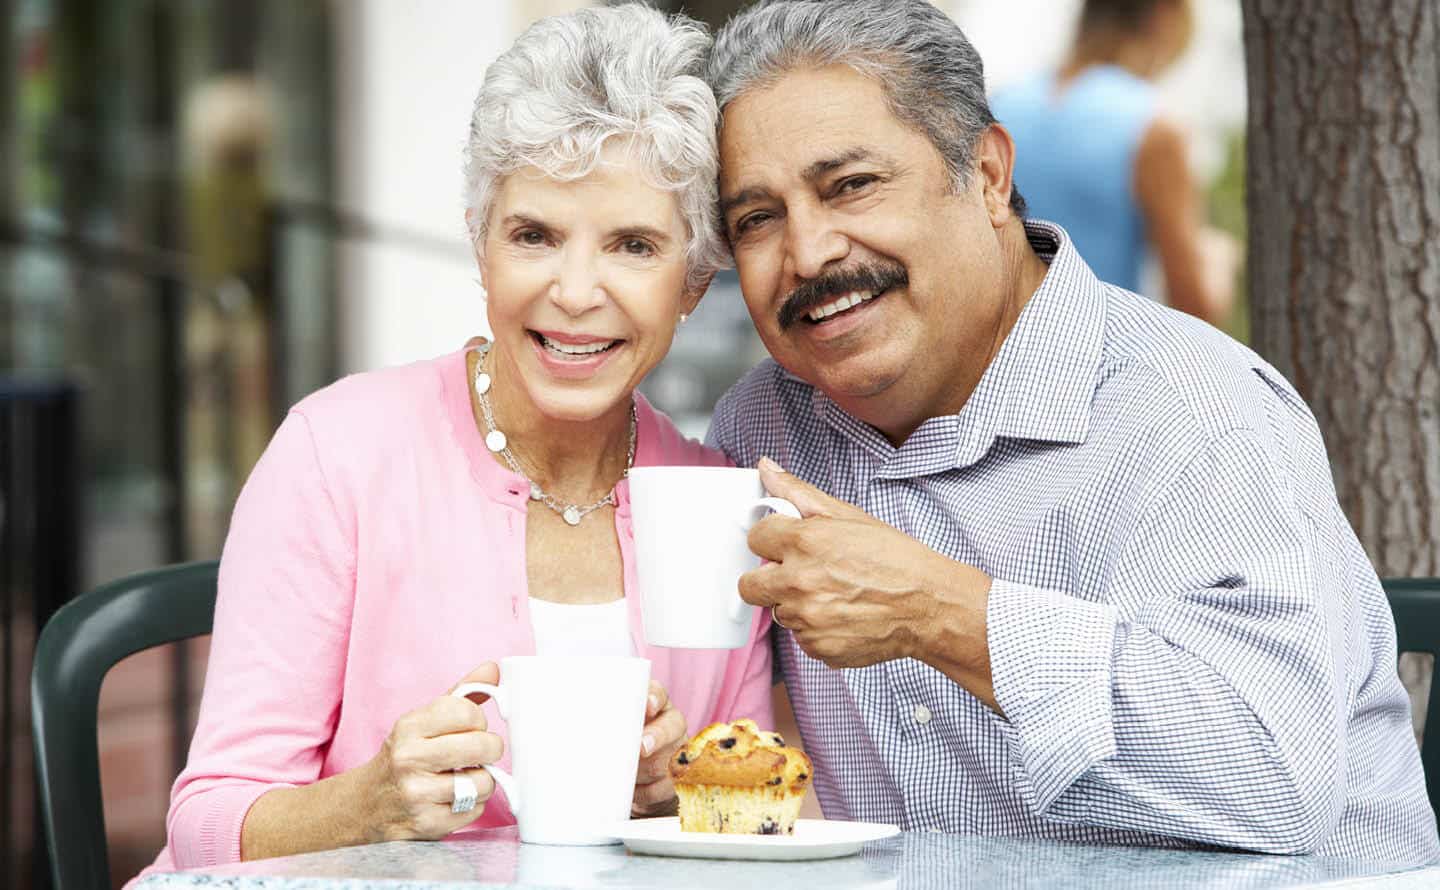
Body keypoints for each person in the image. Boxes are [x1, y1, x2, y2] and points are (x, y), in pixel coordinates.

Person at [702, 0, 1438, 861]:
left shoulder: (1194, 414)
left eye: (851, 186)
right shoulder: (761, 427)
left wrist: (945, 615)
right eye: (757, 218)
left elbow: (1275, 784)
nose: (808, 251)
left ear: (985, 174)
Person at [131, 4, 772, 879]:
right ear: (479, 246)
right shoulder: (338, 453)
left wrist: (678, 791)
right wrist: (367, 805)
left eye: (633, 245)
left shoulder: (711, 499)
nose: (576, 291)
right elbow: (206, 823)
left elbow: (753, 819)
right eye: (533, 235)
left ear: (694, 282)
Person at [989, 0, 1238, 325]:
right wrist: (1218, 259)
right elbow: (1194, 308)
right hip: (1100, 362)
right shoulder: (1153, 129)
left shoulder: (1001, 107)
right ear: (1165, 13)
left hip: (1001, 358)